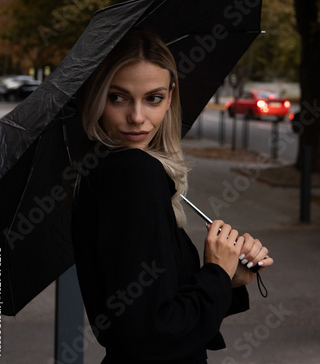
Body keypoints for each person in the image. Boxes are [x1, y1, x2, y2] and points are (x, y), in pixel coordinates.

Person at [71, 29, 273, 364]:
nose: (137, 117)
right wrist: (216, 273)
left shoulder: (99, 171)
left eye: (153, 98)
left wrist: (228, 279)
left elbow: (151, 310)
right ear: (96, 95)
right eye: (117, 97)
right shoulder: (135, 172)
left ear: (170, 96)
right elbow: (151, 334)